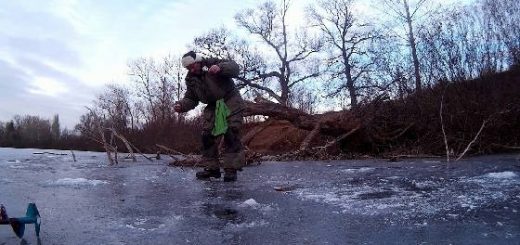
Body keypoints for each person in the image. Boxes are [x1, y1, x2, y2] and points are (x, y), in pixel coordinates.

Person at [174, 51, 246, 182]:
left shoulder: (213, 62)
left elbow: (235, 68)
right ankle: (212, 169)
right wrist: (181, 105)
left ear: (198, 61)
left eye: (192, 66)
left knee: (231, 133)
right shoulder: (190, 79)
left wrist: (221, 68)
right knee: (206, 135)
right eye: (188, 68)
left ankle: (231, 170)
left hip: (230, 99)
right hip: (213, 105)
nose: (191, 69)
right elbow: (191, 98)